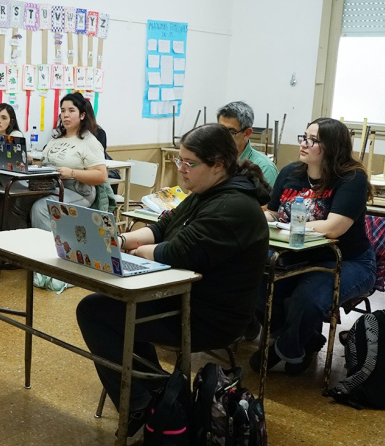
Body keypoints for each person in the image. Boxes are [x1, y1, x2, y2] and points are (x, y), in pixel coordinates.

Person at [75, 123, 270, 444]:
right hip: (182, 295)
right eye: (180, 160)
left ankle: (141, 403)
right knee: (104, 308)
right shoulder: (208, 191)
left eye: (189, 163)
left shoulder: (233, 206)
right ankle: (155, 393)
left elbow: (175, 252)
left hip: (210, 316)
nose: (181, 169)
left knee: (97, 312)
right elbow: (164, 227)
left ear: (218, 165)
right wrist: (118, 240)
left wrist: (134, 250)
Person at [249, 117, 376, 375]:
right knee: (258, 284)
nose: (303, 144)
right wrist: (251, 216)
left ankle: (284, 348)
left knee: (306, 298)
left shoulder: (351, 179)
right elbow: (273, 213)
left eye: (313, 140)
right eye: (303, 137)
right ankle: (305, 342)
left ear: (331, 147)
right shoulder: (290, 173)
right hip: (298, 257)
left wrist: (290, 225)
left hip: (346, 260)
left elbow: (333, 227)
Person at [11, 92, 108, 230]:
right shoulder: (56, 139)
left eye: (71, 110)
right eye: (63, 111)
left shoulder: (89, 141)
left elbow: (101, 175)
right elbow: (47, 165)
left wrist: (72, 173)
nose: (66, 115)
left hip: (77, 191)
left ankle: (47, 249)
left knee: (42, 208)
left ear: (82, 115)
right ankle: (17, 245)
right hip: (50, 186)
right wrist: (31, 162)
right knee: (17, 201)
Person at [217, 101, 278, 186]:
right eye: (220, 130)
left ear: (247, 133)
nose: (223, 136)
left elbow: (268, 198)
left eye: (231, 132)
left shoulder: (264, 167)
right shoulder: (212, 160)